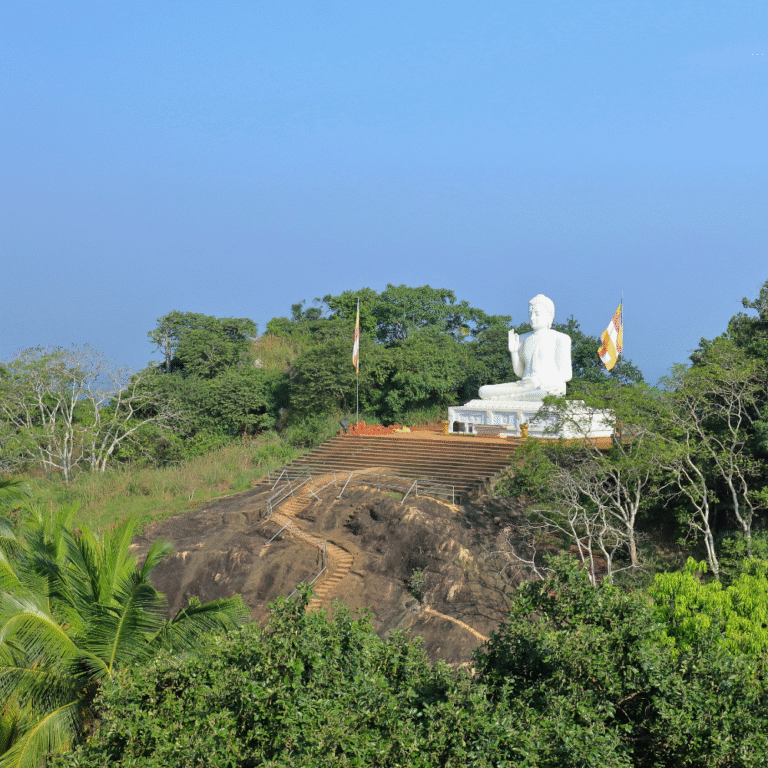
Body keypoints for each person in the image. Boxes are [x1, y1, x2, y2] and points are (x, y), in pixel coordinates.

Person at [478, 294, 572, 401]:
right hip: (524, 386)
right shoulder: (523, 338)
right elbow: (520, 373)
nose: (532, 318)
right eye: (530, 313)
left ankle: (509, 398)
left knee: (547, 393)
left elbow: (566, 375)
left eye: (537, 314)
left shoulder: (560, 338)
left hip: (546, 386)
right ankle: (515, 397)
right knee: (483, 390)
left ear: (549, 315)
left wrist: (541, 381)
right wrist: (513, 353)